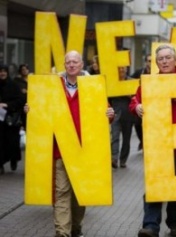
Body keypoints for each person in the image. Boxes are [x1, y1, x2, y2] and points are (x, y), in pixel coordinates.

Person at [25, 51, 114, 237]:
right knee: (62, 192)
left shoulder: (93, 86)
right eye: (68, 62)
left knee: (79, 194)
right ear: (64, 65)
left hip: (84, 150)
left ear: (82, 64)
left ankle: (75, 226)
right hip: (60, 149)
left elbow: (104, 112)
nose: (71, 64)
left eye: (75, 61)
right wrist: (31, 109)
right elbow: (41, 111)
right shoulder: (52, 86)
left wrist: (109, 115)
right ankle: (62, 233)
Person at [130, 44, 176, 237]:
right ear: (156, 62)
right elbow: (134, 100)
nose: (164, 61)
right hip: (157, 144)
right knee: (154, 185)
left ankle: (174, 224)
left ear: (175, 60)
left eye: (168, 58)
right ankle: (150, 226)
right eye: (161, 59)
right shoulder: (149, 83)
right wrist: (137, 106)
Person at [0, 64, 25, 174]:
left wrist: (7, 105)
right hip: (0, 121)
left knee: (12, 142)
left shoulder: (13, 85)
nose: (2, 73)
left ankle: (13, 159)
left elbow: (20, 100)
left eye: (4, 71)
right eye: (0, 71)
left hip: (11, 119)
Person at [110, 66, 137, 168]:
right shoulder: (112, 82)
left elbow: (136, 97)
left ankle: (123, 160)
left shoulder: (131, 82)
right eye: (119, 68)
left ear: (126, 69)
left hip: (128, 114)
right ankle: (114, 158)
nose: (121, 70)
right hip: (115, 113)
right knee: (115, 136)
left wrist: (128, 93)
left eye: (123, 68)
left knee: (126, 138)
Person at [130, 54, 151, 151]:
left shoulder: (159, 73)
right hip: (142, 103)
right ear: (146, 62)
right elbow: (129, 80)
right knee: (137, 124)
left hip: (154, 105)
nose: (150, 63)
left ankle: (146, 142)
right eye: (149, 61)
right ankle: (142, 141)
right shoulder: (140, 72)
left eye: (152, 61)